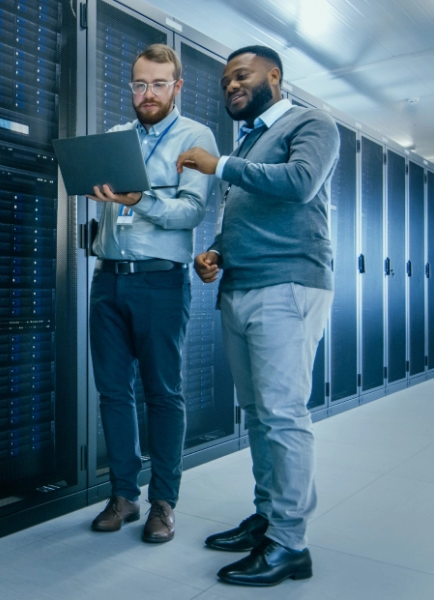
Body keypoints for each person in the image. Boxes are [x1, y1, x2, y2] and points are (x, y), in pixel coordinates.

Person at [176, 45, 339, 584]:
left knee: (284, 414)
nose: (230, 87)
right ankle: (269, 519)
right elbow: (242, 213)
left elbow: (299, 183)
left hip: (287, 284)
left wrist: (219, 164)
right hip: (242, 286)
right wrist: (217, 251)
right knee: (260, 413)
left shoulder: (311, 122)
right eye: (225, 82)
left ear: (274, 75)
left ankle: (291, 543)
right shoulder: (249, 142)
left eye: (240, 76)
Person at [88, 44, 218, 543]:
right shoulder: (117, 138)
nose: (148, 94)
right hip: (109, 277)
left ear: (177, 86)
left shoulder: (194, 137)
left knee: (163, 393)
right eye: (140, 84)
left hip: (161, 281)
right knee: (112, 392)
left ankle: (164, 501)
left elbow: (190, 213)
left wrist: (138, 200)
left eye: (159, 84)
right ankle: (124, 494)